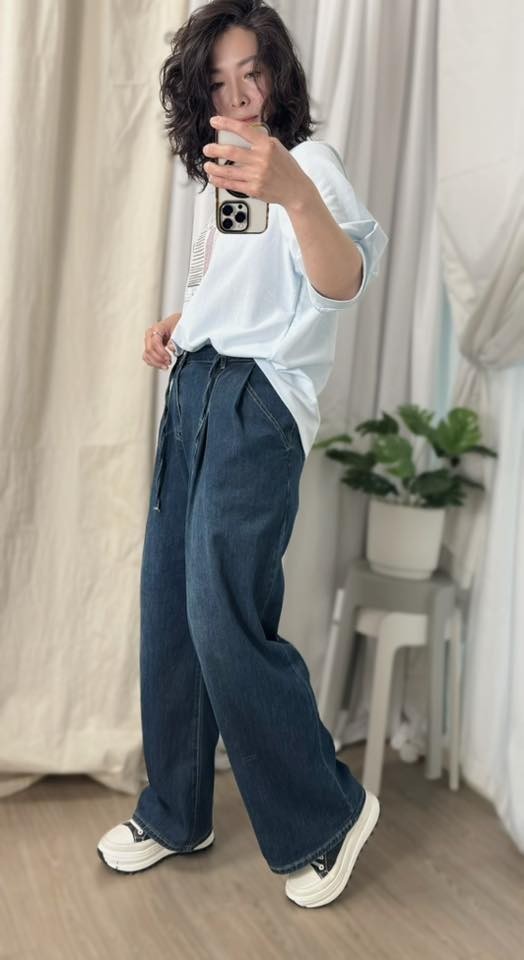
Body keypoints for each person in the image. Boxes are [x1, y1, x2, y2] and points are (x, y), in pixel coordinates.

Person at [97, 0, 388, 909]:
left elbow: (344, 282)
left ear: (278, 76)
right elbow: (242, 293)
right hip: (195, 389)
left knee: (222, 613)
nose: (238, 95)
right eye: (218, 81)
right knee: (171, 609)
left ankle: (328, 814)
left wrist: (293, 190)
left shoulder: (310, 165)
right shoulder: (217, 179)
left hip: (258, 405)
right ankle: (176, 811)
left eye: (251, 73)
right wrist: (180, 325)